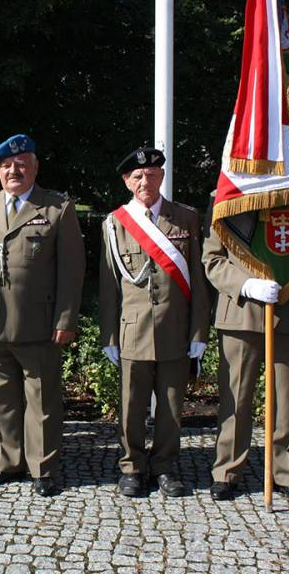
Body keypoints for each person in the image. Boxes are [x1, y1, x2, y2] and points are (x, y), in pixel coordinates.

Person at [0, 133, 85, 496]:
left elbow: (71, 271)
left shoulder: (56, 208)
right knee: (1, 398)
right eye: (6, 166)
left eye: (20, 164)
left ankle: (42, 468)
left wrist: (65, 319)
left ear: (35, 167)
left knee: (41, 400)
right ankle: (8, 461)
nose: (13, 171)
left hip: (38, 325)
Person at [99, 146, 210, 498]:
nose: (144, 181)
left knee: (171, 406)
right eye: (137, 176)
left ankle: (164, 466)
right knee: (131, 407)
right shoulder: (115, 223)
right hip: (132, 331)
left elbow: (199, 279)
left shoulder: (186, 218)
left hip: (176, 330)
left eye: (151, 174)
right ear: (126, 181)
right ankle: (132, 467)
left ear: (161, 176)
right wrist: (109, 336)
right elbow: (109, 285)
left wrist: (199, 331)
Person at [202, 205, 289, 505]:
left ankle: (284, 472)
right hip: (239, 312)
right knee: (235, 398)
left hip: (286, 310)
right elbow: (212, 259)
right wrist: (246, 285)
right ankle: (227, 471)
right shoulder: (226, 198)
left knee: (285, 400)